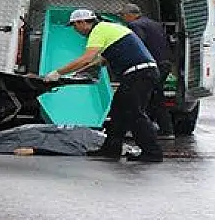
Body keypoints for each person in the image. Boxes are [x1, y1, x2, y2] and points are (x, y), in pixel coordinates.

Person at [43, 9, 163, 163]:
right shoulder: (109, 28)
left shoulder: (98, 30)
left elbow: (87, 58)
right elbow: (101, 60)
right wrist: (78, 73)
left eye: (74, 26)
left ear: (82, 22)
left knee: (135, 113)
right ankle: (111, 149)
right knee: (118, 111)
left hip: (139, 74)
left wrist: (58, 72)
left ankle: (152, 153)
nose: (75, 30)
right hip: (142, 73)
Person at [119, 4, 175, 140]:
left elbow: (137, 44)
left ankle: (141, 130)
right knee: (156, 97)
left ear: (130, 15)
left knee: (142, 97)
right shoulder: (154, 24)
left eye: (123, 15)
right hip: (165, 63)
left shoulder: (135, 26)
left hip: (152, 65)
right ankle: (165, 130)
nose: (122, 18)